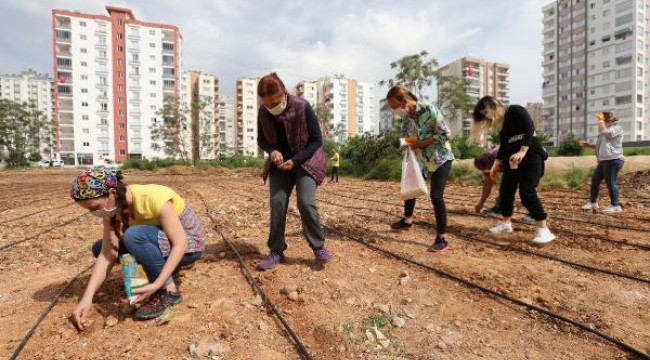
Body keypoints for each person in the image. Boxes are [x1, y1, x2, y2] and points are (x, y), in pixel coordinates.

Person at [70, 168, 205, 328]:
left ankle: (168, 292)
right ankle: (141, 284)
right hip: (160, 242)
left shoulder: (153, 197)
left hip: (189, 246)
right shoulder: (112, 210)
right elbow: (108, 252)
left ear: (112, 193)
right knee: (100, 247)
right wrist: (87, 298)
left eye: (94, 207)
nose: (94, 213)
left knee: (134, 236)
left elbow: (180, 243)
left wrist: (157, 284)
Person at [257, 72, 332, 270]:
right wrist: (271, 150)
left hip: (305, 160)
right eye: (267, 104)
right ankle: (276, 250)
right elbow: (261, 139)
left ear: (285, 93)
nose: (272, 107)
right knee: (277, 202)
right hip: (280, 164)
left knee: (306, 202)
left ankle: (318, 247)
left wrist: (296, 160)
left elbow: (317, 140)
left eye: (275, 102)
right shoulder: (263, 112)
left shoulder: (302, 106)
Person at [472, 95, 556, 245]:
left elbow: (530, 128)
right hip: (512, 158)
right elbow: (503, 146)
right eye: (483, 115)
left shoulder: (515, 110)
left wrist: (523, 151)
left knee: (527, 191)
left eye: (485, 112)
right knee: (505, 191)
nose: (486, 116)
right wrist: (496, 165)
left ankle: (544, 230)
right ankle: (506, 224)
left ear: (493, 106)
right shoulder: (503, 124)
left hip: (531, 154)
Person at [387, 85, 454, 253]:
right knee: (411, 187)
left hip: (440, 158)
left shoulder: (429, 109)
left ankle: (442, 239)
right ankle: (407, 222)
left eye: (395, 107)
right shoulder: (406, 119)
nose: (395, 111)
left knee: (436, 195)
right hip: (421, 160)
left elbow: (446, 134)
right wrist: (407, 151)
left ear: (403, 101)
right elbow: (405, 140)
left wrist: (420, 144)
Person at [473, 147, 537, 225]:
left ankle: (535, 215)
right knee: (506, 187)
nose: (485, 172)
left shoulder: (502, 157)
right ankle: (499, 207)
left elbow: (515, 176)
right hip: (514, 163)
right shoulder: (489, 162)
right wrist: (481, 203)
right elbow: (487, 185)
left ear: (489, 164)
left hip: (529, 161)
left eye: (484, 169)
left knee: (527, 189)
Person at [579, 111, 625, 214]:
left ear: (608, 120)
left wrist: (600, 120)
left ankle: (615, 205)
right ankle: (593, 202)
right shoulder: (604, 129)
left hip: (613, 159)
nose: (599, 122)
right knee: (595, 181)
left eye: (602, 119)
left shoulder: (617, 128)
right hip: (604, 161)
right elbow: (601, 145)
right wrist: (588, 145)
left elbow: (605, 132)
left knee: (611, 183)